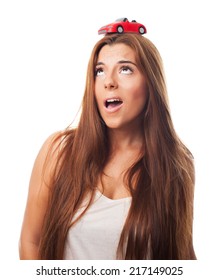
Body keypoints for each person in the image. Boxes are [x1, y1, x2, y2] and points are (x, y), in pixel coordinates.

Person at [19, 31, 196, 260]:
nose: (109, 82)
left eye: (125, 69)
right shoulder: (58, 151)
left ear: (151, 83)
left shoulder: (177, 166)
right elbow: (31, 241)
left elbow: (182, 255)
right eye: (99, 71)